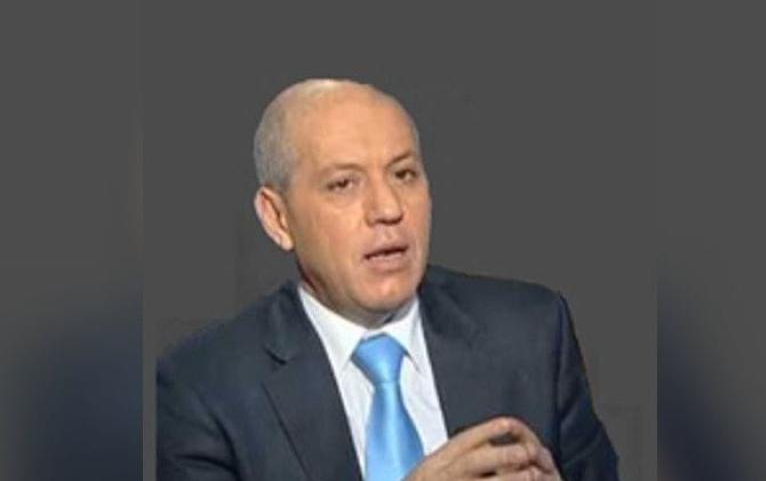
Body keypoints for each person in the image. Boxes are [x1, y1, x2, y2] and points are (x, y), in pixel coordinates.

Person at [157, 79, 619, 481]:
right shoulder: (204, 389)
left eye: (404, 174)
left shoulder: (531, 332)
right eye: (344, 184)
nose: (388, 208)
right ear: (278, 219)